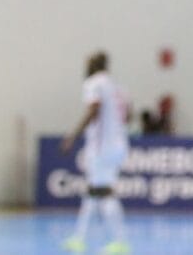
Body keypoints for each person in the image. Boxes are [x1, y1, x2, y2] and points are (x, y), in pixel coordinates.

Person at [60, 52, 130, 254]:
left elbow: (93, 110)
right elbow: (128, 113)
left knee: (103, 192)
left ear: (94, 64)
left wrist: (72, 136)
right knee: (93, 191)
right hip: (118, 144)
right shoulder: (117, 87)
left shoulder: (94, 83)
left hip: (102, 147)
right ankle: (78, 237)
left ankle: (120, 241)